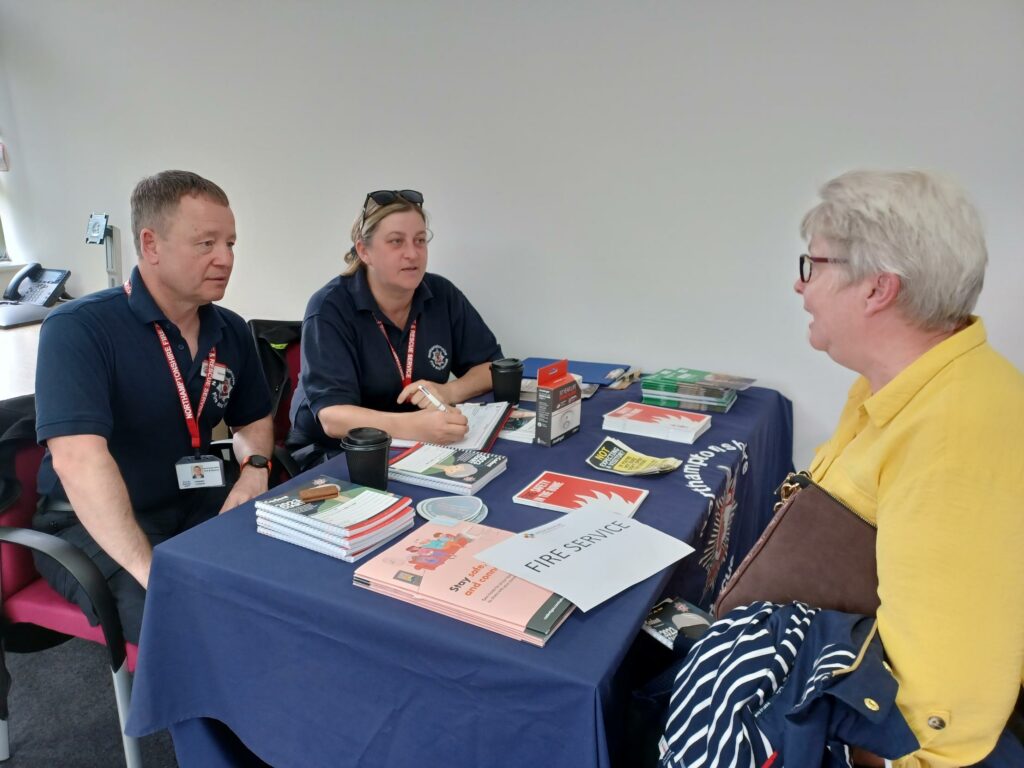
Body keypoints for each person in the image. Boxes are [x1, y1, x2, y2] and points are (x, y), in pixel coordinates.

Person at [793, 170, 1024, 766]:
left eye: (812, 265)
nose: (801, 286)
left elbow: (949, 715)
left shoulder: (951, 436)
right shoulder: (902, 383)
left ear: (877, 289)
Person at [33, 170, 274, 645]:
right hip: (92, 523)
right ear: (151, 244)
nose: (225, 259)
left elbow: (253, 418)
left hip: (193, 501)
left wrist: (256, 468)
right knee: (193, 627)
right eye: (206, 243)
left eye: (230, 243)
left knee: (288, 580)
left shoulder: (230, 329)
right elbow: (79, 461)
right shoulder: (79, 328)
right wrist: (150, 570)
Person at [288, 190, 503, 467]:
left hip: (416, 444)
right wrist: (414, 426)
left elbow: (492, 368)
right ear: (364, 251)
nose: (412, 254)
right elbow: (333, 418)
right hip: (339, 452)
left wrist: (449, 392)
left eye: (420, 240)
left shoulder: (441, 294)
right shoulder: (329, 307)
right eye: (396, 242)